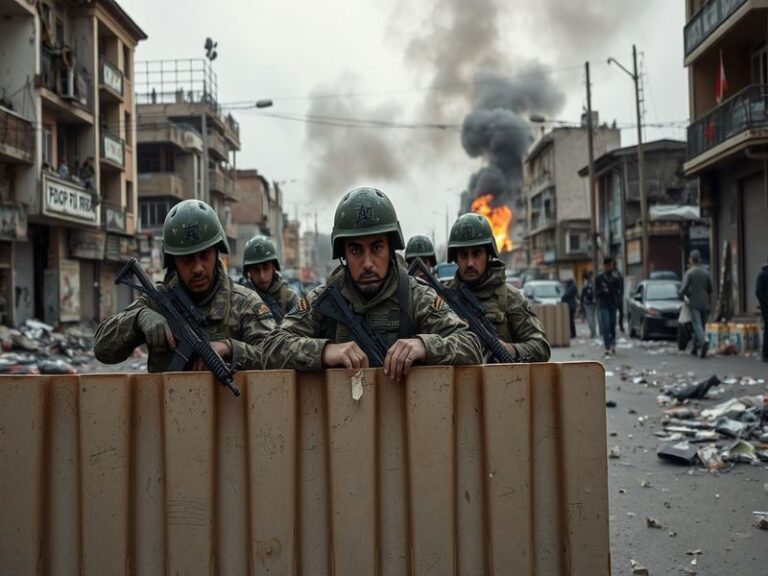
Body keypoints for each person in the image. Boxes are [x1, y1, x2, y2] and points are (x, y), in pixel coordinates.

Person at [262, 186, 484, 379]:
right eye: (356, 250)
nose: (367, 263)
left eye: (376, 247)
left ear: (390, 249)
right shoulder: (325, 299)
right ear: (344, 255)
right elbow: (271, 348)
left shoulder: (414, 296)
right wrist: (325, 351)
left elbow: (470, 345)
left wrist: (424, 346)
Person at [94, 199, 275, 372]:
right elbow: (102, 350)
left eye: (204, 255)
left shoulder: (243, 303)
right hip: (168, 401)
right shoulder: (158, 302)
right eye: (187, 259)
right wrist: (137, 319)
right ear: (173, 261)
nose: (197, 268)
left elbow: (274, 356)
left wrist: (230, 348)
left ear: (217, 251)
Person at [444, 213, 550, 362]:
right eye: (463, 255)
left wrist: (510, 350)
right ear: (456, 258)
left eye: (477, 254)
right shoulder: (443, 298)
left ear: (488, 255)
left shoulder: (509, 297)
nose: (470, 263)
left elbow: (541, 347)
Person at [242, 235, 299, 323]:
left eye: (266, 267)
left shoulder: (289, 298)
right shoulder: (241, 300)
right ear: (249, 272)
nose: (262, 276)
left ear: (274, 267)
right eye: (256, 270)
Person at [680, 249, 713, 358]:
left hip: (694, 303)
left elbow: (684, 289)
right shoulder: (706, 272)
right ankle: (695, 348)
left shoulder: (689, 273)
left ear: (690, 260)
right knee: (701, 327)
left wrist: (682, 294)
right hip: (706, 303)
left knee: (697, 325)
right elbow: (710, 289)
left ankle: (703, 343)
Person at [596, 257, 621, 356]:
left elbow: (618, 291)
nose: (609, 267)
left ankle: (613, 343)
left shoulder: (615, 279)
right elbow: (596, 292)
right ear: (604, 266)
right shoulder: (599, 279)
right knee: (605, 326)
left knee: (612, 325)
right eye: (607, 265)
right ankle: (607, 347)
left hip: (613, 305)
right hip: (603, 305)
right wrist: (603, 291)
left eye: (610, 265)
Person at [757, 258, 768, 362]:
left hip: (765, 306)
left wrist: (763, 303)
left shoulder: (761, 275)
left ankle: (765, 353)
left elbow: (758, 292)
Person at [581, 271, 597, 338]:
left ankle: (593, 332)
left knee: (591, 318)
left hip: (589, 303)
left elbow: (582, 295)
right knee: (592, 318)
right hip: (591, 303)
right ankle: (593, 331)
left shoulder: (586, 285)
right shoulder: (593, 284)